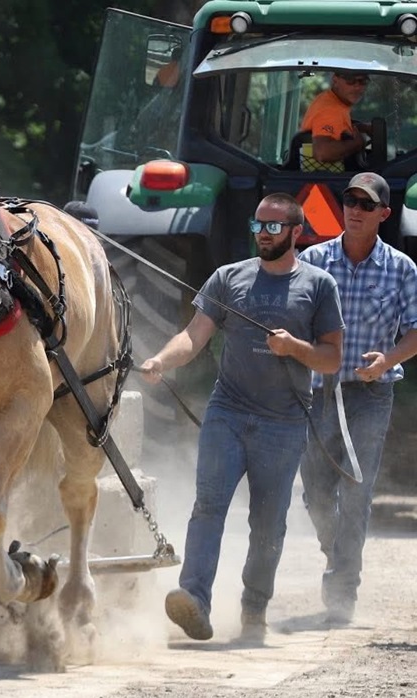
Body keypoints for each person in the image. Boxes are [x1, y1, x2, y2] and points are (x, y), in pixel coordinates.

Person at [140, 192, 344, 644]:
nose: (263, 233)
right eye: (258, 226)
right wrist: (160, 361)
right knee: (208, 506)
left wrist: (295, 348)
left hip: (284, 424)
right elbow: (193, 336)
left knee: (268, 523)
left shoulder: (319, 285)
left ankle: (254, 610)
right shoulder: (227, 278)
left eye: (273, 226)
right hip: (227, 413)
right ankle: (194, 598)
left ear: (296, 232)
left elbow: (331, 360)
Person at [296, 172, 417, 625]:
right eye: (349, 200)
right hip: (318, 392)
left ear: (384, 214)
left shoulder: (403, 269)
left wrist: (385, 361)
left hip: (370, 393)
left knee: (358, 490)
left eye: (366, 204)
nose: (355, 209)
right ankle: (338, 552)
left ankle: (343, 585)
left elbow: (415, 331)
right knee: (315, 493)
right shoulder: (313, 259)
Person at [298, 71, 371, 172]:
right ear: (335, 80)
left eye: (363, 81)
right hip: (327, 180)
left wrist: (361, 127)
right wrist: (357, 144)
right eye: (350, 80)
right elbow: (323, 152)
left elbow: (337, 129)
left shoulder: (331, 100)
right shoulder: (331, 109)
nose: (357, 87)